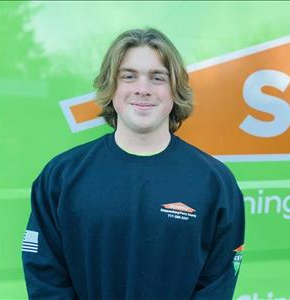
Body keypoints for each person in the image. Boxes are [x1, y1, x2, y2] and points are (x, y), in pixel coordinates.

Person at [22, 28, 245, 300]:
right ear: (111, 86)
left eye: (157, 78)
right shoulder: (61, 176)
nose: (143, 89)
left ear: (175, 89)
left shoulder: (215, 182)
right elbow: (46, 278)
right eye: (129, 76)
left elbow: (216, 284)